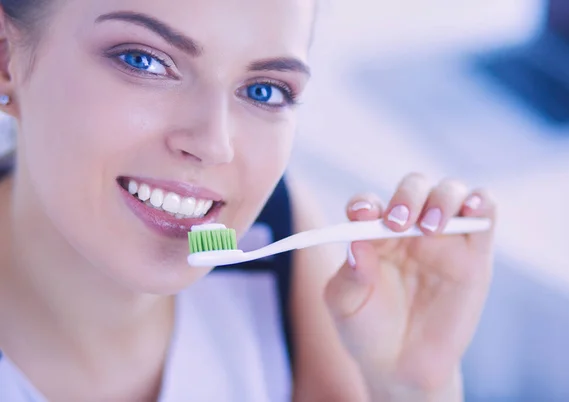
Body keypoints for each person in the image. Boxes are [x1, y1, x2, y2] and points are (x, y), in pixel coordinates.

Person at [0, 0, 496, 401]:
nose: (214, 144)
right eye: (144, 61)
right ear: (6, 57)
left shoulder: (276, 232)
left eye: (264, 90)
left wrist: (410, 389)